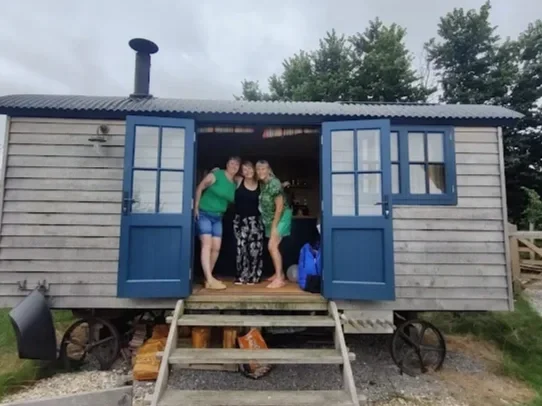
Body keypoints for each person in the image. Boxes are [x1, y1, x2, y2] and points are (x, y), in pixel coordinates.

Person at [194, 156, 240, 290]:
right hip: (204, 213)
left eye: (237, 165)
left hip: (218, 217)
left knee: (216, 248)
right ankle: (209, 278)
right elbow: (200, 187)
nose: (234, 166)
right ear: (227, 164)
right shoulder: (216, 175)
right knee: (207, 245)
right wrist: (196, 207)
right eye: (232, 163)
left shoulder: (234, 183)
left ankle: (208, 278)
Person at [255, 160, 293, 289]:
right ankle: (280, 274)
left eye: (263, 169)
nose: (261, 171)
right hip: (270, 218)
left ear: (269, 170)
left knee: (272, 246)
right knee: (273, 246)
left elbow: (280, 207)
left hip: (281, 216)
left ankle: (279, 279)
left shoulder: (274, 183)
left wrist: (274, 226)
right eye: (258, 169)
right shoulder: (263, 184)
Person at [231, 161, 265, 285]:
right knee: (241, 249)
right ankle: (241, 276)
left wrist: (283, 184)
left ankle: (254, 277)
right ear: (242, 172)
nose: (247, 171)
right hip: (240, 221)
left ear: (254, 170)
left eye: (249, 169)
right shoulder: (239, 180)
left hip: (256, 221)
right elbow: (227, 174)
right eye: (244, 169)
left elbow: (272, 182)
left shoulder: (260, 184)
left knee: (255, 250)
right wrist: (216, 170)